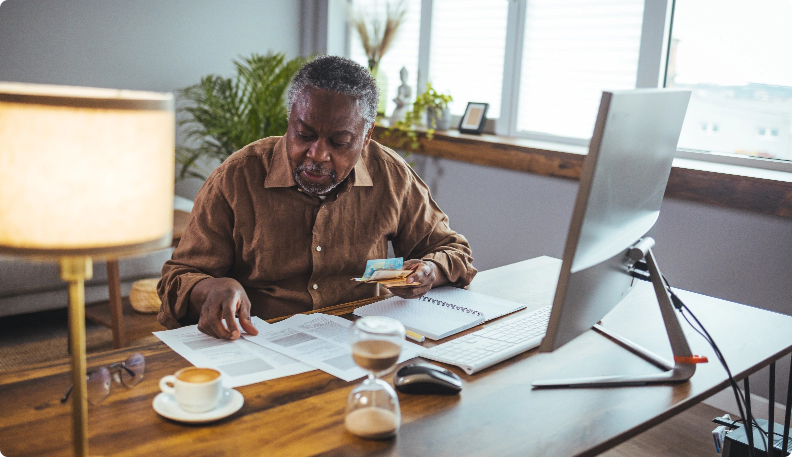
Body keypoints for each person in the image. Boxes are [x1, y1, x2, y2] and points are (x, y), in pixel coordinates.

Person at [157, 55, 476, 340]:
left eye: (339, 142)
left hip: (362, 342)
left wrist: (429, 271)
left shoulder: (390, 174)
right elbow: (177, 279)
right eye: (304, 134)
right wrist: (209, 288)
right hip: (260, 342)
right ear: (290, 121)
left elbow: (452, 249)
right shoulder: (237, 177)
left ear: (366, 136)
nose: (317, 154)